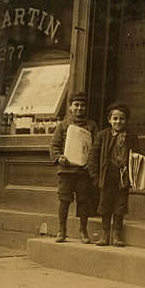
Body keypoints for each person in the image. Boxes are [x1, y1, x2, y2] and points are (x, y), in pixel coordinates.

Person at [49, 92, 99, 243]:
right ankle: (61, 231)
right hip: (66, 171)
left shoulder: (92, 125)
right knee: (64, 201)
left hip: (83, 172)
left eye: (82, 105)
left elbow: (96, 147)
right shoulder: (63, 125)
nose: (79, 108)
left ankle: (83, 231)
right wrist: (59, 157)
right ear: (70, 107)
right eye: (76, 105)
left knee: (83, 201)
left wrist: (90, 164)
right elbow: (54, 145)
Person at [88, 102, 139, 247]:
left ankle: (117, 234)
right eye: (115, 118)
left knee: (120, 205)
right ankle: (105, 234)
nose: (118, 122)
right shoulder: (102, 135)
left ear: (126, 120)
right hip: (107, 175)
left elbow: (137, 157)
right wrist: (95, 176)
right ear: (109, 120)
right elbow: (93, 156)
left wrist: (132, 176)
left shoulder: (131, 137)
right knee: (105, 204)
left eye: (122, 119)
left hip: (122, 177)